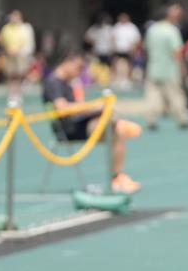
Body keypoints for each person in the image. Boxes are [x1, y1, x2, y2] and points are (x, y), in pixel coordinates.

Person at [43, 51, 142, 194]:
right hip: (69, 129)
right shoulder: (53, 82)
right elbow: (62, 108)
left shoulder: (68, 83)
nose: (79, 72)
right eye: (78, 67)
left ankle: (117, 177)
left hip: (80, 122)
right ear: (67, 62)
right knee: (112, 124)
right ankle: (118, 122)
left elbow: (77, 106)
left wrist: (92, 109)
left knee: (118, 129)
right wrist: (90, 107)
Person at [144, 4, 188, 130]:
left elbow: (147, 49)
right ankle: (183, 119)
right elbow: (177, 51)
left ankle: (151, 119)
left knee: (152, 95)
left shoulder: (151, 30)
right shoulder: (171, 30)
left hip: (153, 67)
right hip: (169, 68)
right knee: (175, 94)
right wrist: (183, 66)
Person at [0, 10, 33, 97]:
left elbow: (23, 41)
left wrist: (16, 50)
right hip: (9, 54)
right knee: (10, 74)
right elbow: (2, 41)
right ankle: (11, 92)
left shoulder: (21, 28)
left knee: (19, 73)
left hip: (18, 54)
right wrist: (8, 50)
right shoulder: (6, 28)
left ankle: (18, 92)